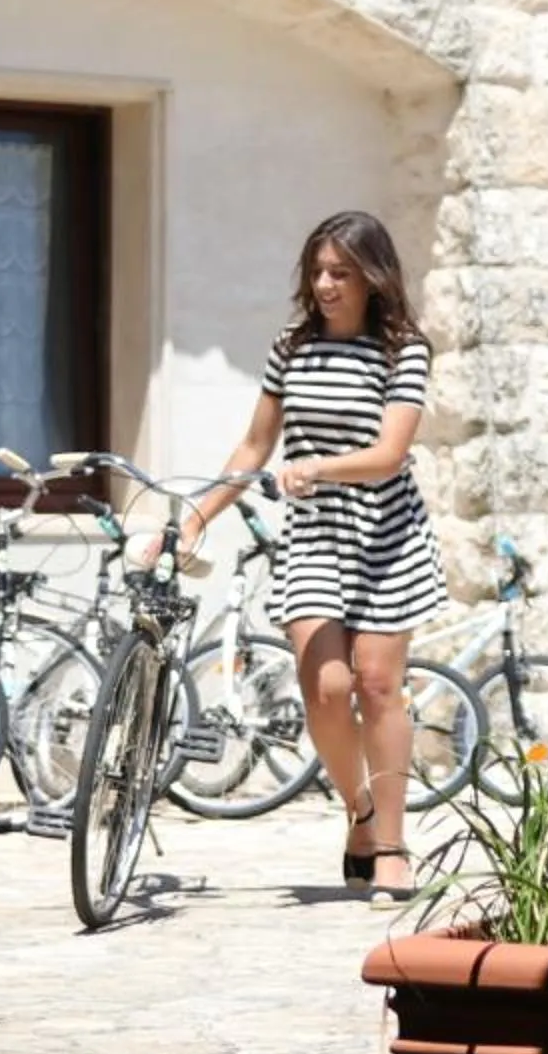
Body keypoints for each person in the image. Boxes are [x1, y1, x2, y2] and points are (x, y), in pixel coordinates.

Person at [181, 210, 450, 907]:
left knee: (378, 685)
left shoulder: (403, 350)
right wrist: (192, 519)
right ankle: (358, 814)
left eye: (341, 272)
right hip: (315, 539)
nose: (325, 284)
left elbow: (390, 455)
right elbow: (253, 446)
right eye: (318, 271)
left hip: (387, 537)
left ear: (373, 276)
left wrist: (320, 467)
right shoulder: (291, 347)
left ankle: (390, 844)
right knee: (327, 689)